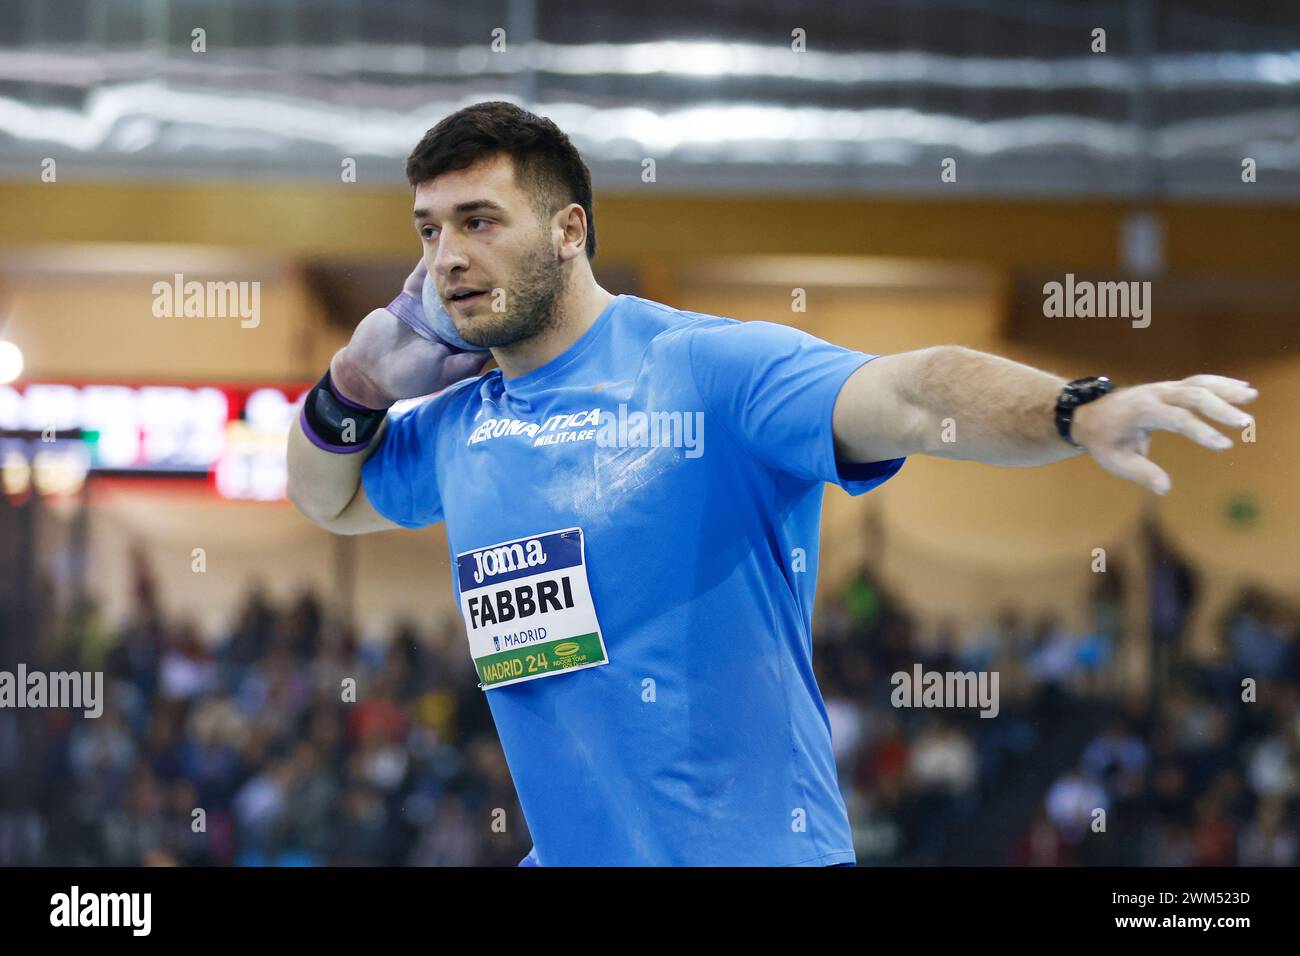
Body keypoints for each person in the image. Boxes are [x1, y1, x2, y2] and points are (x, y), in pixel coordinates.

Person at [286, 101, 1258, 866]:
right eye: (426, 230)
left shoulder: (706, 369)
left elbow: (914, 393)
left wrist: (1073, 410)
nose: (446, 257)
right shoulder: (465, 422)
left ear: (568, 229)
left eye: (478, 220)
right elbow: (326, 495)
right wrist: (353, 387)